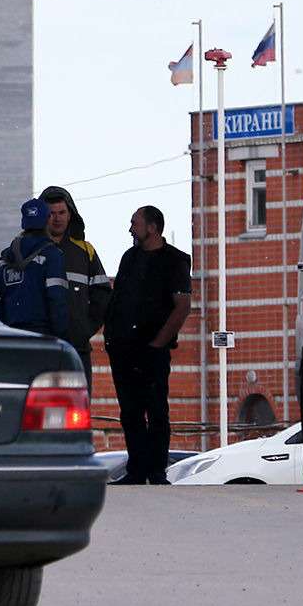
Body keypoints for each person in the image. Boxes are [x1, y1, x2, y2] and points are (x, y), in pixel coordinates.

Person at [104, 205, 192, 485]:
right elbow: (117, 299)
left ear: (152, 227)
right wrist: (111, 339)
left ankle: (156, 470)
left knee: (155, 409)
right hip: (123, 349)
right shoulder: (129, 258)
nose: (131, 229)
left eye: (135, 223)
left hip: (153, 350)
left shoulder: (175, 261)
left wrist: (157, 344)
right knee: (129, 411)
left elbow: (182, 307)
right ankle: (136, 469)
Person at [39, 186, 111, 393]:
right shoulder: (26, 250)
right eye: (51, 213)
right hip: (40, 348)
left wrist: (83, 329)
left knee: (78, 409)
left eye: (61, 212)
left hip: (76, 349)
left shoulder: (85, 252)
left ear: (70, 215)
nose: (57, 218)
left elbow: (103, 295)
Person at [0, 198, 70, 338]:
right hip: (43, 340)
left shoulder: (4, 260)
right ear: (47, 220)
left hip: (11, 340)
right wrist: (61, 337)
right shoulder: (52, 255)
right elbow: (57, 300)